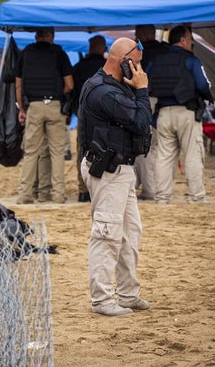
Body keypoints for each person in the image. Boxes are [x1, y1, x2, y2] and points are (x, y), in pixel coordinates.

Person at [77, 37, 153, 317]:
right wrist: (142, 91)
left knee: (130, 233)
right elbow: (142, 121)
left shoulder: (111, 85)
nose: (141, 70)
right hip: (109, 171)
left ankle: (128, 294)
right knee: (107, 234)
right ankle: (102, 300)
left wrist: (136, 89)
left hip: (120, 170)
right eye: (138, 63)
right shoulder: (104, 92)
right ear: (125, 61)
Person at [148, 26, 212, 204]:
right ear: (183, 40)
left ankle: (162, 197)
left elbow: (147, 83)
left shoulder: (156, 60)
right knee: (192, 154)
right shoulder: (191, 60)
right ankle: (196, 197)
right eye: (190, 39)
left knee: (164, 156)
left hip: (163, 113)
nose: (192, 42)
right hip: (187, 112)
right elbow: (202, 85)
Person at [15, 27, 74, 204]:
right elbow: (70, 85)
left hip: (34, 105)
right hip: (55, 105)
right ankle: (57, 194)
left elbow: (18, 85)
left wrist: (22, 109)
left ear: (36, 36)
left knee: (31, 152)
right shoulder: (59, 54)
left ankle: (25, 194)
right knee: (57, 152)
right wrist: (58, 93)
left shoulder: (25, 53)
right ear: (51, 36)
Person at [131, 25, 166, 200]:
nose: (135, 37)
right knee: (164, 149)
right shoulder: (166, 50)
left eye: (137, 34)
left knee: (144, 145)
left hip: (147, 99)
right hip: (166, 102)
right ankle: (160, 188)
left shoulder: (139, 52)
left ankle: (149, 188)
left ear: (144, 34)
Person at [72, 36, 108, 203]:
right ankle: (101, 186)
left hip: (83, 111)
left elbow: (72, 91)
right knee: (106, 146)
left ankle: (83, 190)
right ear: (103, 48)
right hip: (105, 111)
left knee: (83, 148)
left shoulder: (79, 67)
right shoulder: (107, 67)